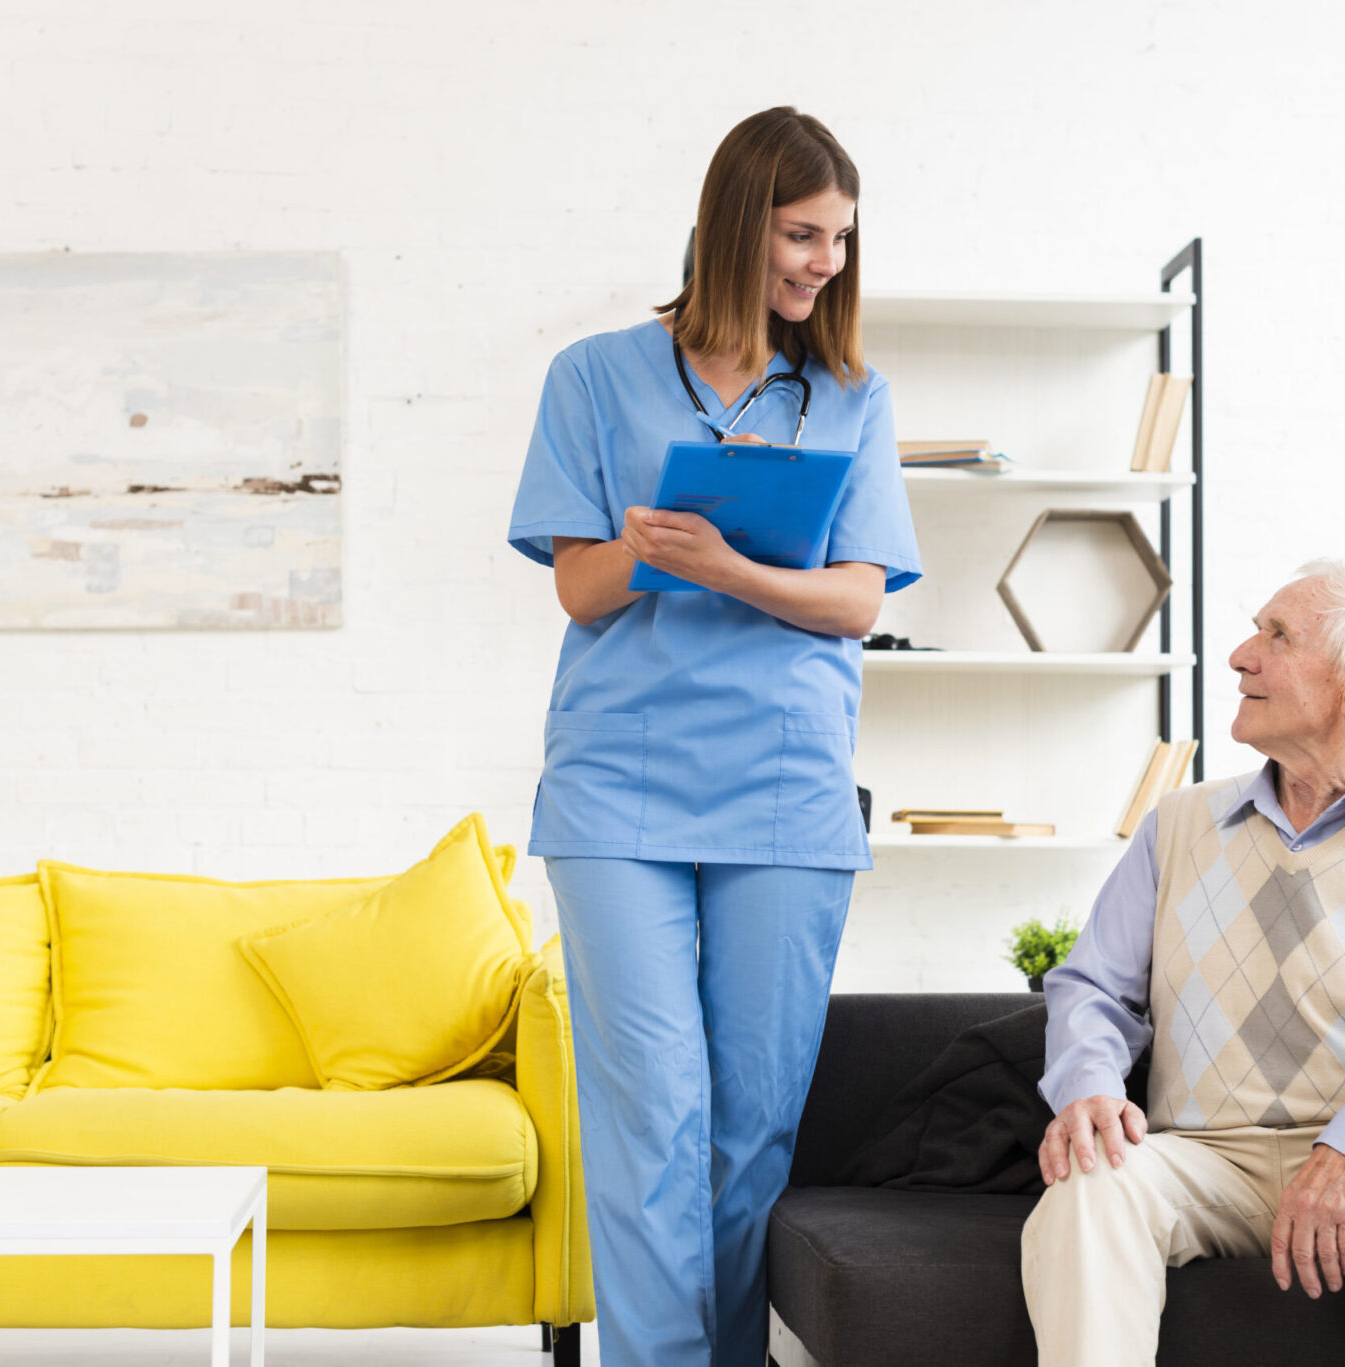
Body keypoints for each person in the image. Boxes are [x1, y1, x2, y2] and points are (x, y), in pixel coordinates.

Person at [505, 106, 922, 1367]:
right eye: (802, 233)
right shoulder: (593, 376)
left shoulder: (850, 394)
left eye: (839, 239)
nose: (822, 263)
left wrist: (732, 567)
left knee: (748, 1129)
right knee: (649, 1114)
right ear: (735, 224)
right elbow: (579, 587)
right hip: (618, 789)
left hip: (786, 787)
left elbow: (858, 598)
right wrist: (656, 545)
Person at [1021, 560, 1345, 1367]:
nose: (1240, 654)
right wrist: (1090, 1083)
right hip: (1205, 1161)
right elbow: (1093, 986)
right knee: (1088, 1185)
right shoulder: (1178, 825)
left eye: (1277, 635)